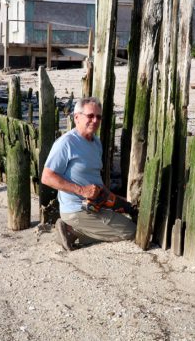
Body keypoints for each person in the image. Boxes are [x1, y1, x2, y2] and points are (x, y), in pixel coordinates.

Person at [41, 97, 136, 251]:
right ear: (76, 117)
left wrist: (115, 199)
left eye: (98, 117)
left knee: (130, 217)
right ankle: (71, 231)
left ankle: (75, 229)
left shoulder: (96, 143)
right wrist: (82, 191)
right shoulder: (66, 143)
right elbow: (47, 177)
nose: (95, 120)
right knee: (131, 231)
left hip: (94, 205)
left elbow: (94, 179)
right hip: (76, 209)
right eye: (90, 116)